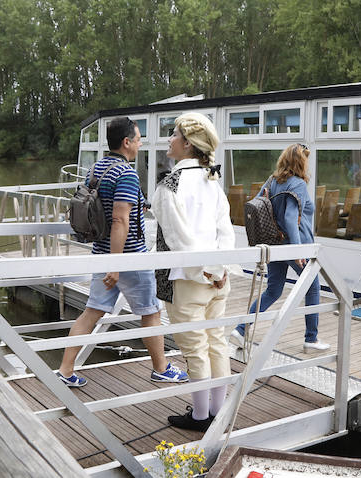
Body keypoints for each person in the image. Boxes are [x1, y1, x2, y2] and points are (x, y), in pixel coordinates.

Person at [56, 117, 188, 387]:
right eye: (139, 139)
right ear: (127, 142)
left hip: (102, 252)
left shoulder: (96, 168)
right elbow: (120, 219)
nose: (141, 144)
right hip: (128, 257)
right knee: (150, 313)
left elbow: (107, 207)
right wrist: (116, 266)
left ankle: (65, 371)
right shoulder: (127, 173)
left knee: (91, 312)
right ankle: (161, 368)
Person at [152, 112, 234, 432]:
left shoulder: (169, 183)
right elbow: (224, 231)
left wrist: (203, 271)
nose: (169, 140)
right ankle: (218, 411)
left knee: (194, 348)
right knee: (217, 342)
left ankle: (200, 417)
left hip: (186, 279)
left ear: (187, 144)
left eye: (173, 135)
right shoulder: (212, 179)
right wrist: (219, 269)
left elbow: (178, 238)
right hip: (217, 279)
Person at [229, 144, 329, 353]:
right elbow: (290, 218)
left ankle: (240, 330)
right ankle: (311, 339)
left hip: (275, 244)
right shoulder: (298, 184)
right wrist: (298, 250)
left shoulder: (273, 181)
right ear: (301, 162)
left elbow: (256, 202)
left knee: (273, 290)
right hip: (294, 246)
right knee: (312, 286)